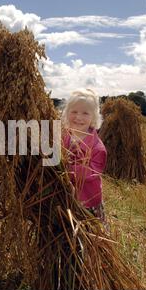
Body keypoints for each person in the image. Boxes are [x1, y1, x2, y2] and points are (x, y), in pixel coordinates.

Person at [61, 89, 107, 226]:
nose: (78, 117)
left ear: (93, 118)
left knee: (89, 233)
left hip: (87, 200)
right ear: (67, 113)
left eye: (85, 113)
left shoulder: (98, 148)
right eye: (74, 112)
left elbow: (90, 172)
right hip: (64, 198)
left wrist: (65, 169)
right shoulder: (63, 137)